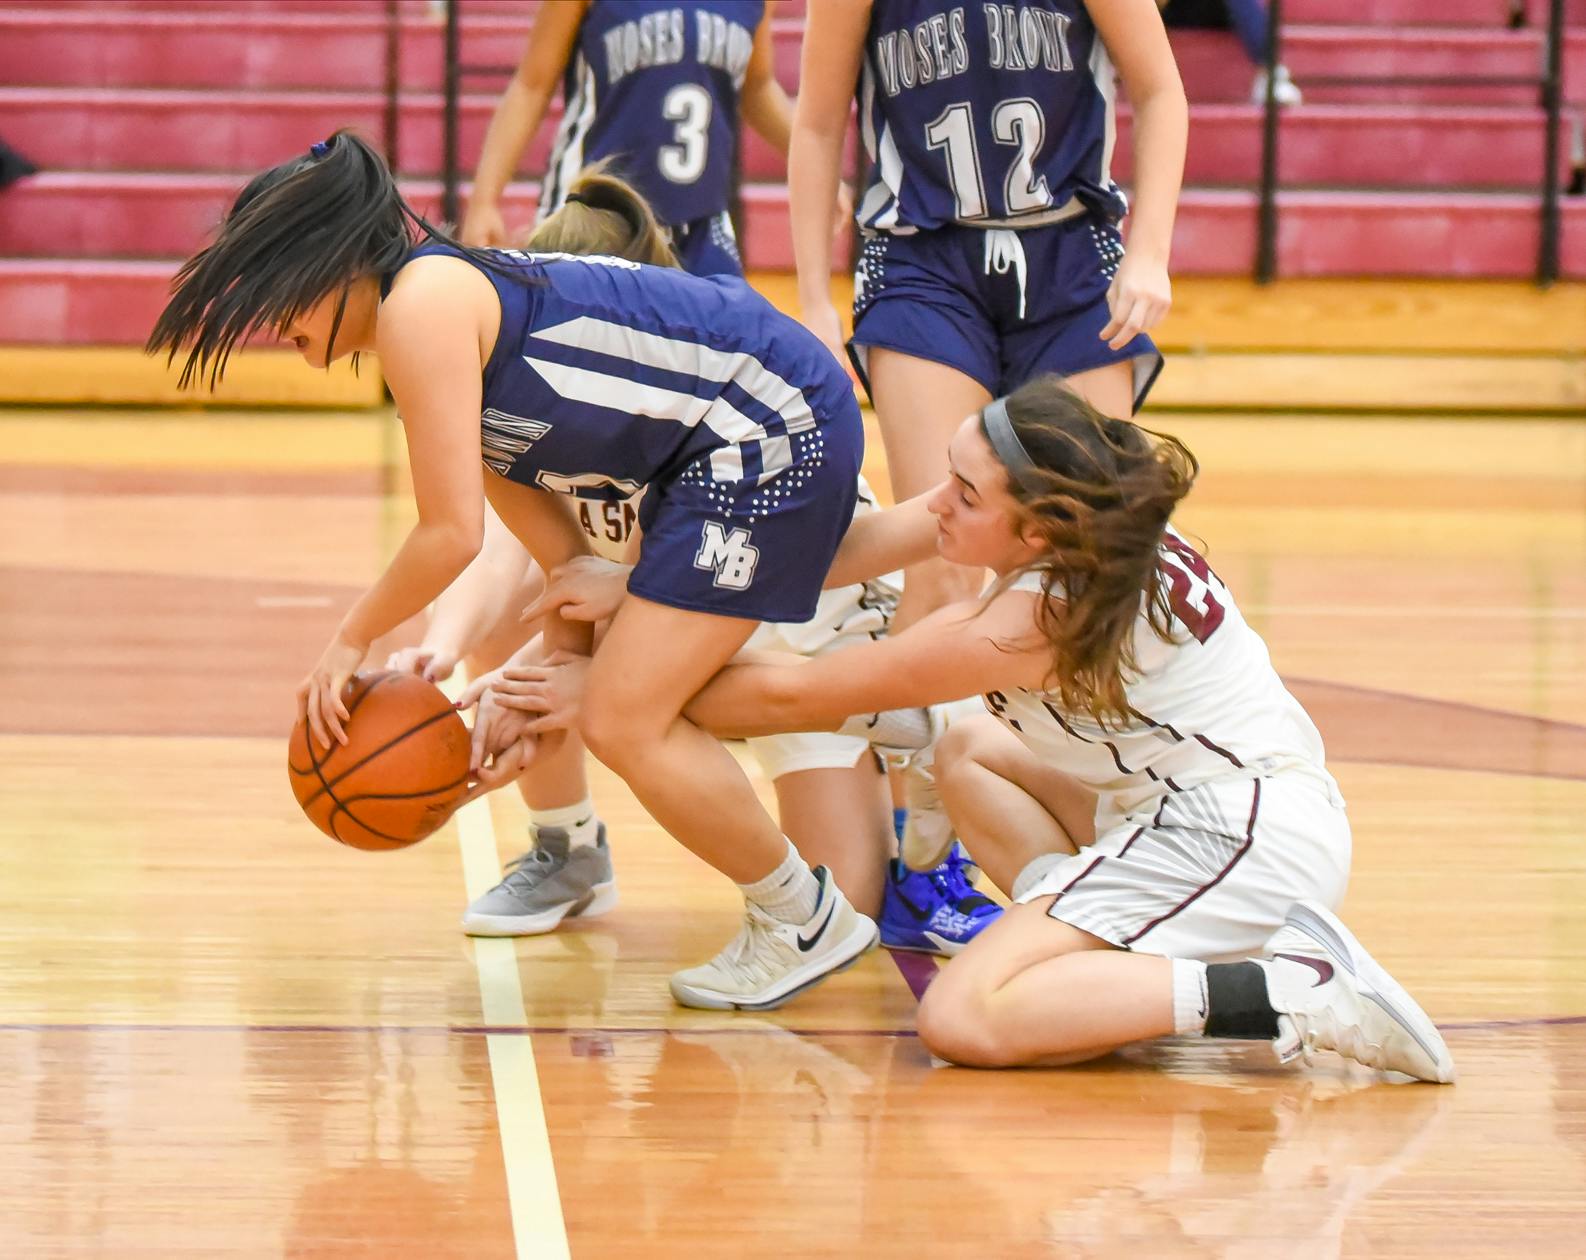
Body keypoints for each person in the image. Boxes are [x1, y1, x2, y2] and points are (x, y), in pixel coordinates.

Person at [488, 374, 1455, 1083]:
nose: (936, 503)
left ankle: (1293, 989)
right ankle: (1100, 975)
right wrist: (644, 590)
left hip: (1233, 835)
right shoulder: (1089, 527)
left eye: (963, 495)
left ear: (1035, 531)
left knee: (964, 1016)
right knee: (969, 752)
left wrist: (616, 684)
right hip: (1217, 812)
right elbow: (836, 554)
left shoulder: (1027, 620)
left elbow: (791, 697)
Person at [146, 129, 879, 1011]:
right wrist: (543, 687)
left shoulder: (423, 306)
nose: (275, 327)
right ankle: (835, 820)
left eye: (277, 297)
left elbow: (448, 535)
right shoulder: (440, 316)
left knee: (626, 715)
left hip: (771, 431)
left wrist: (349, 640)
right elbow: (563, 558)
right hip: (732, 443)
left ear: (328, 263)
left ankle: (803, 913)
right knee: (614, 699)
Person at [786, 0, 1187, 867]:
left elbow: (1161, 89)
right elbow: (816, 124)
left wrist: (1150, 250)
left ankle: (1100, 809)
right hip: (923, 257)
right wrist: (814, 298)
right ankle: (922, 845)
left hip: (1071, 253)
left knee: (1087, 558)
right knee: (943, 553)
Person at [460, 0, 795, 276]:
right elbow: (531, 85)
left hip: (701, 219)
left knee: (721, 331)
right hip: (595, 209)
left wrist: (813, 162)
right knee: (573, 332)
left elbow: (758, 87)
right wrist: (484, 201)